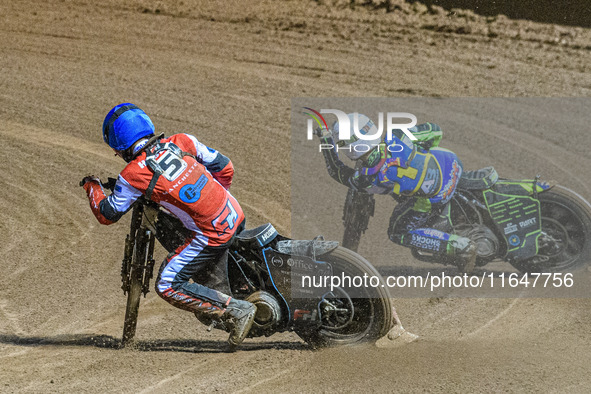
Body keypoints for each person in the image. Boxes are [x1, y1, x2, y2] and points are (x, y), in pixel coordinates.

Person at [80, 103, 256, 348]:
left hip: (212, 235)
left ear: (120, 147)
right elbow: (226, 167)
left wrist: (93, 186)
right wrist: (211, 200)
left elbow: (107, 214)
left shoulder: (132, 175)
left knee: (166, 283)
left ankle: (238, 310)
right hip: (234, 212)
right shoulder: (183, 140)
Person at [316, 113, 476, 273]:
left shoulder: (367, 179)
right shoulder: (397, 135)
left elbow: (336, 170)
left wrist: (326, 141)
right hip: (451, 162)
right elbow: (435, 130)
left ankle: (459, 246)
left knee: (398, 232)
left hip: (437, 196)